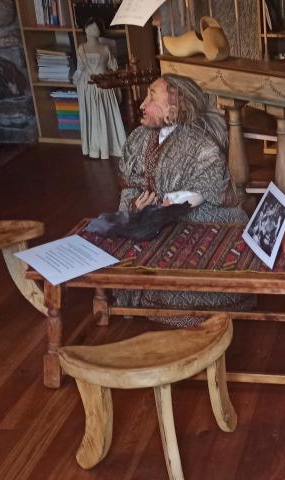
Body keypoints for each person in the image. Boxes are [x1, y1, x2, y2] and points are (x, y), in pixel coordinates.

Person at [115, 74, 252, 327]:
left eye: (152, 95)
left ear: (175, 103)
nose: (143, 104)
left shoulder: (201, 144)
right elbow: (130, 184)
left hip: (202, 221)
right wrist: (135, 208)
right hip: (153, 222)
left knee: (189, 280)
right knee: (120, 254)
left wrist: (162, 206)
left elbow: (204, 189)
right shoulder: (137, 139)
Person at [72, 19, 126, 159]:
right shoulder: (81, 49)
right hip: (88, 87)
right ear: (86, 29)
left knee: (106, 114)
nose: (95, 30)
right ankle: (94, 148)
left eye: (97, 28)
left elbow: (113, 67)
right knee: (92, 117)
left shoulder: (105, 48)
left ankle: (109, 146)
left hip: (104, 86)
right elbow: (79, 70)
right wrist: (78, 83)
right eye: (92, 28)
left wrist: (114, 78)